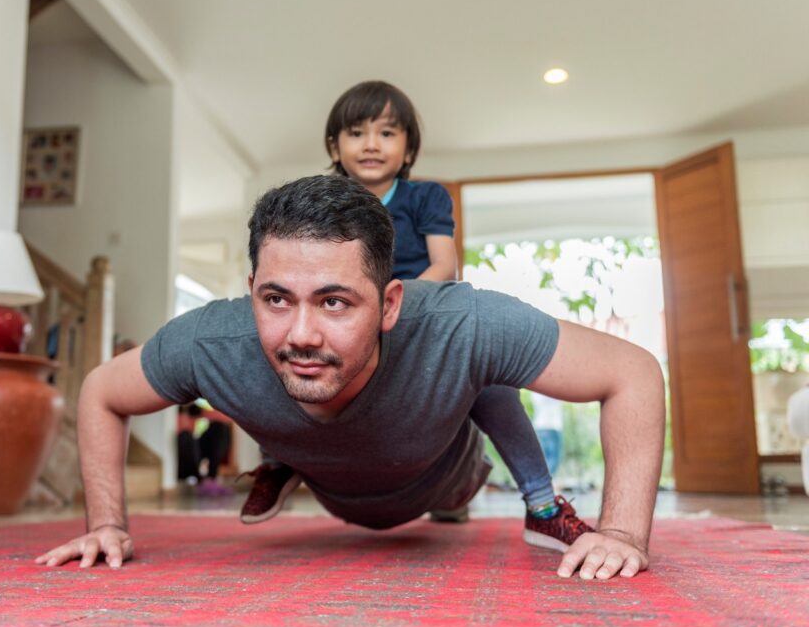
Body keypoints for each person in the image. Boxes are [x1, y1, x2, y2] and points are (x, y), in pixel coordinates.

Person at [36, 175, 665, 581]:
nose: (302, 332)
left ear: (390, 304)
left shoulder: (463, 319)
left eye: (335, 302)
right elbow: (100, 391)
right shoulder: (209, 339)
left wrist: (621, 532)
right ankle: (283, 459)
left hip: (442, 484)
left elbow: (632, 371)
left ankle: (540, 504)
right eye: (276, 299)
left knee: (483, 368)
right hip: (333, 489)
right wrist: (107, 523)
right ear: (251, 289)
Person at [240, 82, 567, 546]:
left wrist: (393, 308)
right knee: (272, 356)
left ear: (408, 146)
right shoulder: (318, 203)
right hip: (339, 320)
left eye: (387, 133)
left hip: (419, 311)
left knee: (493, 385)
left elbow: (444, 264)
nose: (372, 144)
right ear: (335, 145)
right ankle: (275, 466)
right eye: (357, 133)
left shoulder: (426, 198)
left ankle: (542, 501)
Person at [177, 402, 233, 497]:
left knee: (219, 427)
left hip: (195, 453)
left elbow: (227, 419)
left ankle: (211, 479)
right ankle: (202, 481)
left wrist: (201, 412)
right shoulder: (172, 410)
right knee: (185, 436)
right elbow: (183, 427)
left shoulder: (193, 408)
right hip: (179, 460)